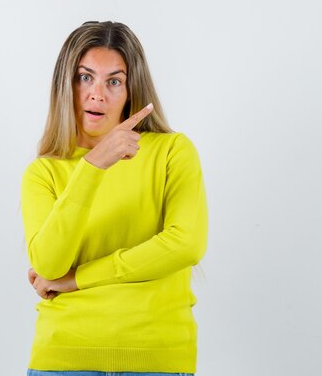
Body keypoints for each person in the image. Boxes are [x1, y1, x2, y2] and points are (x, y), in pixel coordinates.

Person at [20, 21, 208, 376]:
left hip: (157, 357)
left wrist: (80, 279)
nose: (97, 94)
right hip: (64, 359)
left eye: (114, 81)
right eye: (85, 77)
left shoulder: (172, 152)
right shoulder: (43, 172)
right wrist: (92, 166)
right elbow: (49, 266)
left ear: (131, 89)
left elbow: (187, 245)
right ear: (66, 85)